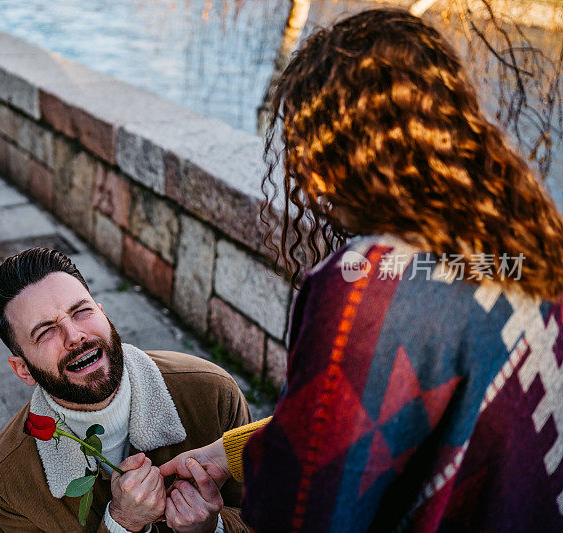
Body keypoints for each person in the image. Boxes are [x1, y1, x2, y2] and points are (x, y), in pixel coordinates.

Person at [161, 8, 563, 532]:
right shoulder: (521, 239)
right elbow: (380, 421)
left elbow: (313, 500)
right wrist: (229, 451)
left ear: (333, 153)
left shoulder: (366, 284)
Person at [0, 247, 252, 532]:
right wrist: (122, 522)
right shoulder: (4, 480)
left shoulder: (213, 392)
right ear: (22, 369)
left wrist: (214, 527)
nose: (75, 336)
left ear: (103, 314)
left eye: (81, 311)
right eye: (45, 331)